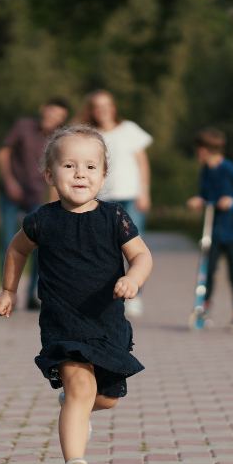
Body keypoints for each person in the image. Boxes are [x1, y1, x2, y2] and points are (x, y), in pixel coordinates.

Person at [0, 124, 153, 464]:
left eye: (90, 167)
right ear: (50, 175)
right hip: (63, 321)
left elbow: (142, 255)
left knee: (106, 398)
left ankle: (73, 409)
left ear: (103, 175)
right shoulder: (41, 220)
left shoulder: (114, 218)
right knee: (81, 386)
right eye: (69, 166)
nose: (80, 173)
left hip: (107, 322)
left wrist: (133, 279)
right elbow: (17, 251)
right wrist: (8, 290)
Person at [76, 90, 153, 317]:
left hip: (131, 195)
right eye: (98, 106)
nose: (103, 109)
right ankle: (102, 294)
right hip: (101, 198)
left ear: (113, 107)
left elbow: (142, 162)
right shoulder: (89, 135)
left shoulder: (129, 129)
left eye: (107, 104)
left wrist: (145, 191)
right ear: (92, 110)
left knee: (135, 246)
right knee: (101, 247)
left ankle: (134, 294)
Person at [0, 98, 70, 309]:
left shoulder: (57, 138)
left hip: (37, 195)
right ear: (43, 109)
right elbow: (3, 153)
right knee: (9, 244)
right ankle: (8, 293)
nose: (54, 118)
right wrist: (9, 182)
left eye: (60, 117)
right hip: (10, 193)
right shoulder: (22, 126)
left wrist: (54, 207)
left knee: (40, 245)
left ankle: (33, 295)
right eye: (52, 113)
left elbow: (56, 172)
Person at [185, 128, 233, 334]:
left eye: (198, 150)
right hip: (213, 231)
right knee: (207, 271)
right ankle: (203, 309)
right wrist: (198, 199)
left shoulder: (228, 169)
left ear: (205, 150)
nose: (197, 154)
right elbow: (205, 193)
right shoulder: (206, 171)